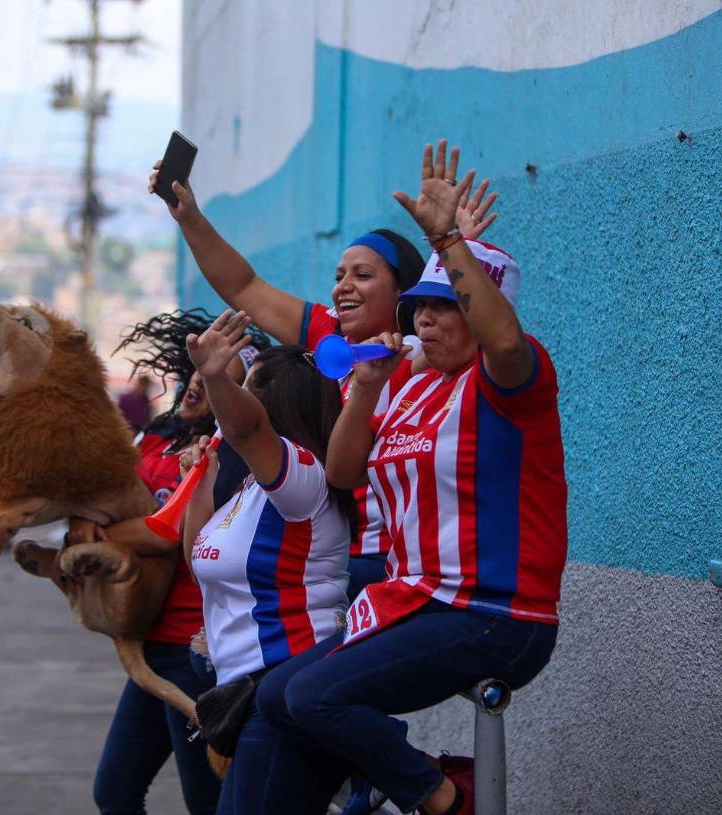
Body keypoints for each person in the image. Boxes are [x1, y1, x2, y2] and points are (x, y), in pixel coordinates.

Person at [256, 140, 568, 815]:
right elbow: (343, 471)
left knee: (315, 696)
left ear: (481, 314)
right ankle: (395, 778)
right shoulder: (413, 383)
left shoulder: (507, 382)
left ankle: (442, 798)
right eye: (419, 306)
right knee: (276, 695)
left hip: (495, 614)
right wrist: (367, 389)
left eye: (445, 305)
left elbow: (505, 339)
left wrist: (449, 239)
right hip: (421, 599)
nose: (425, 317)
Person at [149, 159, 499, 602]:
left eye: (363, 275)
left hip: (383, 563)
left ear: (402, 293)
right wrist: (189, 217)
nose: (342, 287)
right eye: (338, 277)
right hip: (316, 552)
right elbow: (244, 286)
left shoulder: (421, 355)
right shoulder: (328, 335)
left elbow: (481, 332)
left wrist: (457, 248)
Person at [73, 310, 269, 815]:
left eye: (220, 376)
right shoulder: (152, 436)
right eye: (199, 371)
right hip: (150, 643)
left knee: (205, 803)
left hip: (194, 653)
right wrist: (84, 523)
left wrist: (104, 534)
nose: (198, 386)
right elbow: (105, 499)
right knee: (114, 792)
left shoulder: (225, 452)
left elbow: (166, 533)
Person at [177, 310, 353, 815]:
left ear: (273, 405)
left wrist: (214, 374)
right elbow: (200, 566)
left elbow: (248, 428)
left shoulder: (304, 476)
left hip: (283, 687)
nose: (227, 409)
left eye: (247, 391)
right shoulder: (251, 488)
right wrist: (202, 484)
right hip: (245, 694)